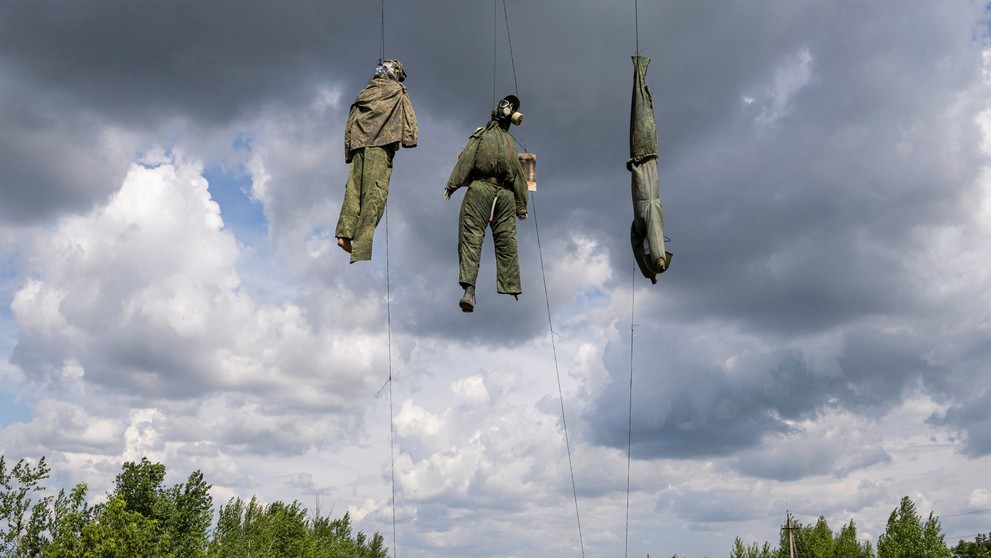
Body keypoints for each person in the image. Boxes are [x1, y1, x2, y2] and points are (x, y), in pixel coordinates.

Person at [444, 95, 529, 312]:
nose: (508, 109)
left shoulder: (510, 142)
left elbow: (518, 173)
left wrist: (521, 205)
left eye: (512, 108)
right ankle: (469, 291)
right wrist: (452, 184)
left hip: (505, 195)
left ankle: (511, 285)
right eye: (506, 105)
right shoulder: (482, 134)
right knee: (471, 238)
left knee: (508, 241)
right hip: (480, 189)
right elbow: (468, 157)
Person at [335, 59, 418, 263]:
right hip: (380, 149)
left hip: (358, 148)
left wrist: (349, 151)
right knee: (374, 196)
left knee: (353, 193)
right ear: (395, 74)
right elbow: (409, 118)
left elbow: (350, 122)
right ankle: (361, 249)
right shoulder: (398, 90)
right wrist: (410, 139)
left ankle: (344, 234)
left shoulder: (364, 92)